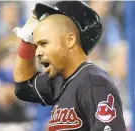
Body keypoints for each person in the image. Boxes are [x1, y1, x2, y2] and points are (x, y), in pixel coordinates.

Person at [13, 1, 127, 131]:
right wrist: (27, 36)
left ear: (70, 40)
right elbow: (23, 85)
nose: (37, 53)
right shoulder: (58, 81)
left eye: (44, 43)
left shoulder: (94, 83)